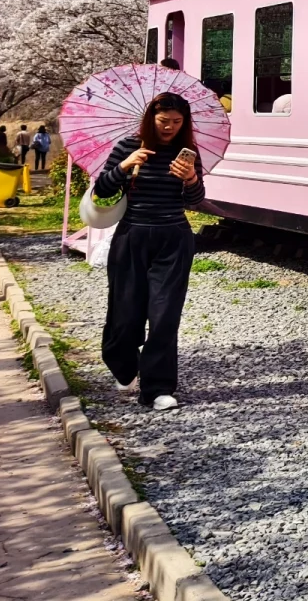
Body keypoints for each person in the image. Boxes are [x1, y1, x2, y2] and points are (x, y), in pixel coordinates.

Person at [94, 92, 206, 410]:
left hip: (174, 239)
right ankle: (123, 363)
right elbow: (102, 188)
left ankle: (157, 389)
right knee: (126, 313)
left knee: (165, 315)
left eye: (176, 122)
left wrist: (191, 178)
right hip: (131, 236)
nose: (169, 128)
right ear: (150, 119)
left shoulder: (188, 153)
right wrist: (125, 167)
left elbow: (195, 200)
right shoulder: (128, 146)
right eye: (162, 121)